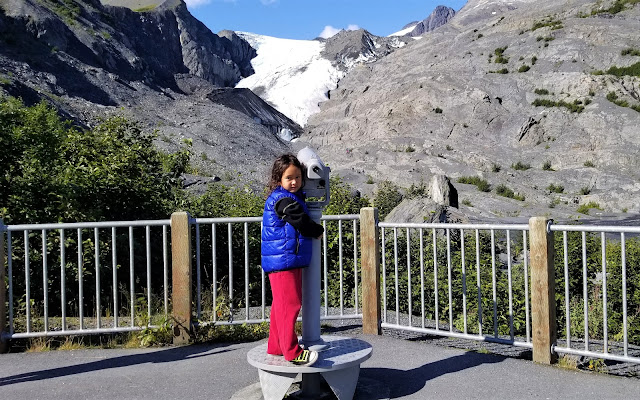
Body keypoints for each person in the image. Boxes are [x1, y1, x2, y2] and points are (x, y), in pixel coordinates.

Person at [261, 153, 324, 366]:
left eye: (298, 177)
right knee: (290, 305)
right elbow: (300, 221)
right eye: (289, 178)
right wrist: (318, 231)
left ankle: (276, 346)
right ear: (279, 180)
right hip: (284, 260)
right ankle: (293, 352)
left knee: (281, 306)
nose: (294, 182)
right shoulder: (283, 200)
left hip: (285, 259)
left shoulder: (286, 197)